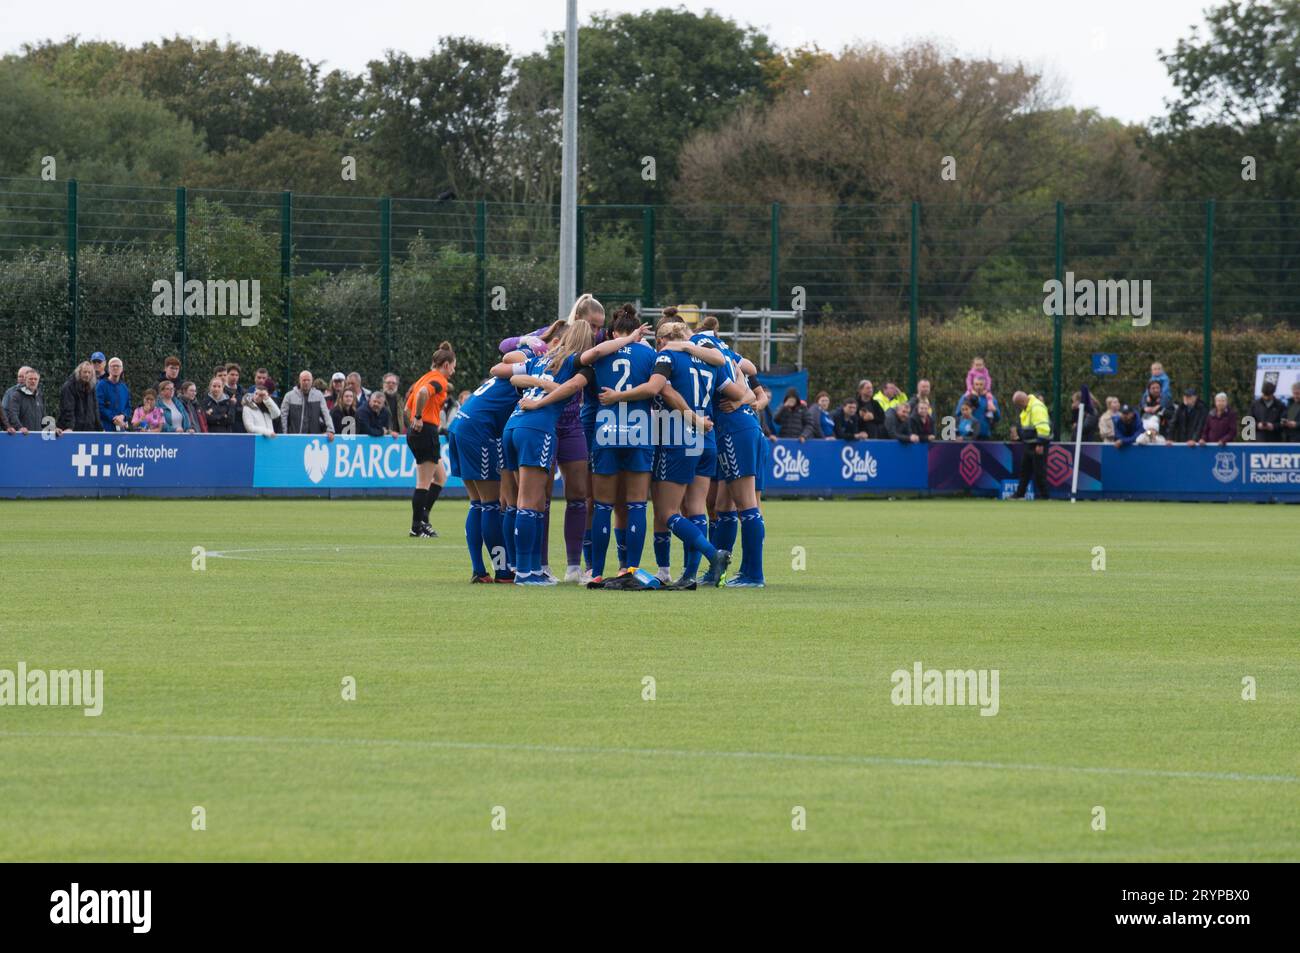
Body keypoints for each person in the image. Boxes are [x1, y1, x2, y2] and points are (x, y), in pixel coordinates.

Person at [588, 318, 732, 589]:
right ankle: (690, 574)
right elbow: (725, 364)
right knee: (696, 508)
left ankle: (712, 556)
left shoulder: (666, 356)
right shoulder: (706, 358)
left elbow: (660, 389)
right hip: (705, 439)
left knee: (666, 513)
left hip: (678, 436)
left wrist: (690, 418)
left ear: (664, 340)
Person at [447, 340, 556, 583]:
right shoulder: (528, 372)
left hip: (459, 426)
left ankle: (480, 570)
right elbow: (508, 357)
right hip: (478, 430)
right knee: (490, 503)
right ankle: (502, 571)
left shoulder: (508, 375)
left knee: (477, 502)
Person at [496, 320, 595, 585]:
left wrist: (539, 385)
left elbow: (512, 375)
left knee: (529, 502)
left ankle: (527, 568)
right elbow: (573, 387)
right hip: (537, 428)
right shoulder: (576, 362)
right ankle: (528, 572)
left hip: (513, 426)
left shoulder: (543, 359)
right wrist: (545, 395)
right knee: (530, 502)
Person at [404, 342, 457, 538]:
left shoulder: (423, 378)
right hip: (426, 431)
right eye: (453, 366)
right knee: (424, 482)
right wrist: (418, 419)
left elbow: (406, 408)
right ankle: (417, 527)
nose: (453, 370)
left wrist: (413, 420)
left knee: (440, 477)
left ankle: (423, 518)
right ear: (445, 364)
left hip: (420, 431)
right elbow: (425, 393)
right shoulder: (438, 380)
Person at [1009, 390, 1051, 499]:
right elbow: (1026, 427)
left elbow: (1043, 428)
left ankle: (1045, 496)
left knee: (1039, 472)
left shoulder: (1036, 407)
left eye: (1018, 405)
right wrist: (1020, 437)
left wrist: (1040, 444)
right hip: (1029, 444)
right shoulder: (1028, 407)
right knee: (1024, 471)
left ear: (1022, 401)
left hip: (1038, 445)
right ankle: (1019, 494)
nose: (1018, 408)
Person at [279, 371, 334, 436]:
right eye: (304, 380)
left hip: (314, 438)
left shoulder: (319, 395)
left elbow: (326, 414)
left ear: (312, 381)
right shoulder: (289, 396)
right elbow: (283, 416)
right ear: (299, 380)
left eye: (308, 380)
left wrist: (330, 430)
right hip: (294, 437)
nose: (306, 382)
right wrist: (284, 435)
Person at [58, 361, 100, 432]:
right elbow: (68, 409)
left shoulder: (92, 387)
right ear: (79, 372)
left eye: (89, 372)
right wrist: (69, 427)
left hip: (89, 429)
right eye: (85, 372)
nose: (87, 375)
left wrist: (100, 428)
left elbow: (95, 409)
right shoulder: (69, 386)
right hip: (74, 430)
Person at [6, 368, 47, 434]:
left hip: (38, 437)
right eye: (30, 379)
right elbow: (13, 414)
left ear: (38, 381)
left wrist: (53, 428)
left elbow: (44, 417)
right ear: (25, 380)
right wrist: (20, 427)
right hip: (23, 436)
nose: (33, 381)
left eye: (35, 379)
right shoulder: (17, 395)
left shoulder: (40, 396)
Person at [96, 357, 130, 431]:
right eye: (113, 366)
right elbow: (99, 406)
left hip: (121, 429)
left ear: (122, 369)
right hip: (105, 428)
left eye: (118, 366)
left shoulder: (124, 387)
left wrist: (123, 416)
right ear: (108, 369)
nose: (115, 368)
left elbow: (128, 407)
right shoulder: (101, 385)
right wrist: (113, 417)